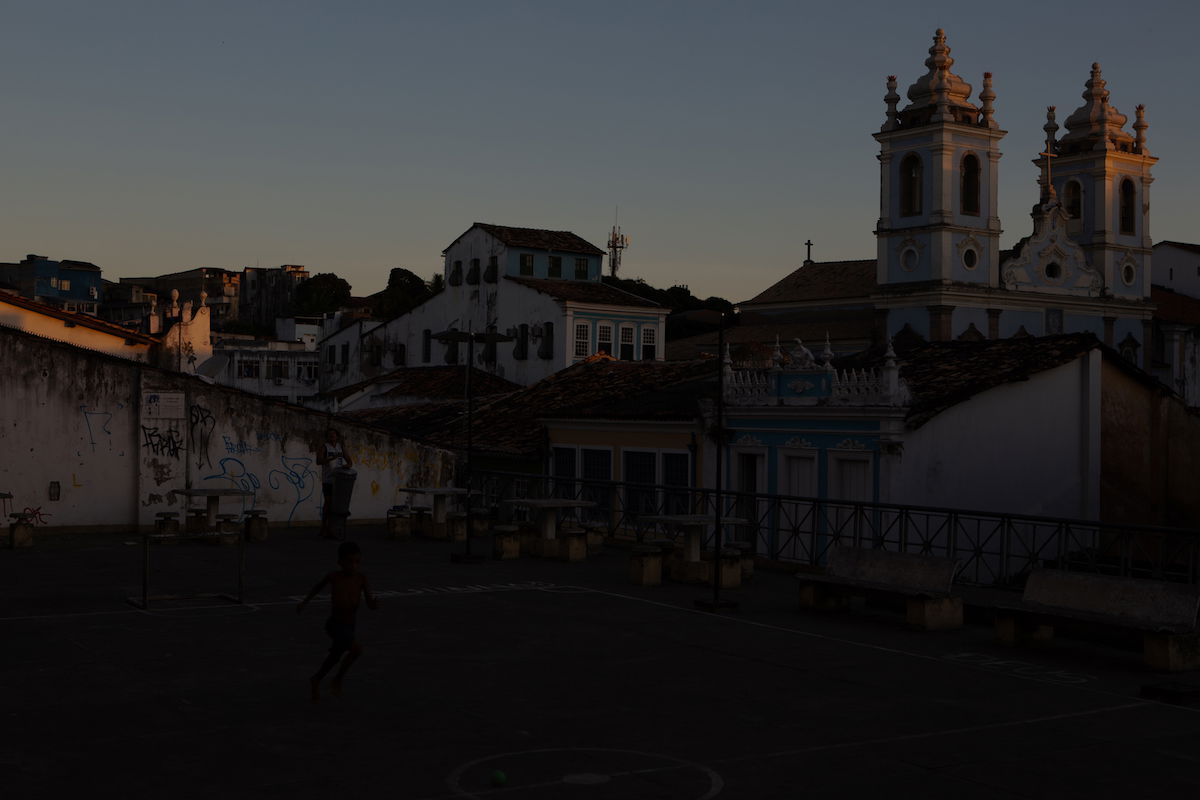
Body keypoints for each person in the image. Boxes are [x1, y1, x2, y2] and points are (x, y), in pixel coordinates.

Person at [297, 541, 379, 702]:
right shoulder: (334, 577)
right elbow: (316, 588)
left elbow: (369, 603)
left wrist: (374, 605)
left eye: (357, 562)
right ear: (340, 562)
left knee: (335, 657)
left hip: (350, 625)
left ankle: (316, 679)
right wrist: (304, 602)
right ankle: (338, 679)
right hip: (335, 624)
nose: (353, 566)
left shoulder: (361, 579)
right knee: (356, 650)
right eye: (349, 562)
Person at [316, 427, 353, 539]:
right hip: (328, 480)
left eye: (334, 434)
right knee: (328, 503)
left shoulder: (341, 447)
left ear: (337, 436)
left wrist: (346, 466)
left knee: (337, 505)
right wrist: (332, 458)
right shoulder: (324, 447)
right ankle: (323, 526)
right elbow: (319, 461)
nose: (332, 436)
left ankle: (333, 528)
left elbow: (350, 462)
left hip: (340, 481)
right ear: (327, 437)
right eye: (329, 434)